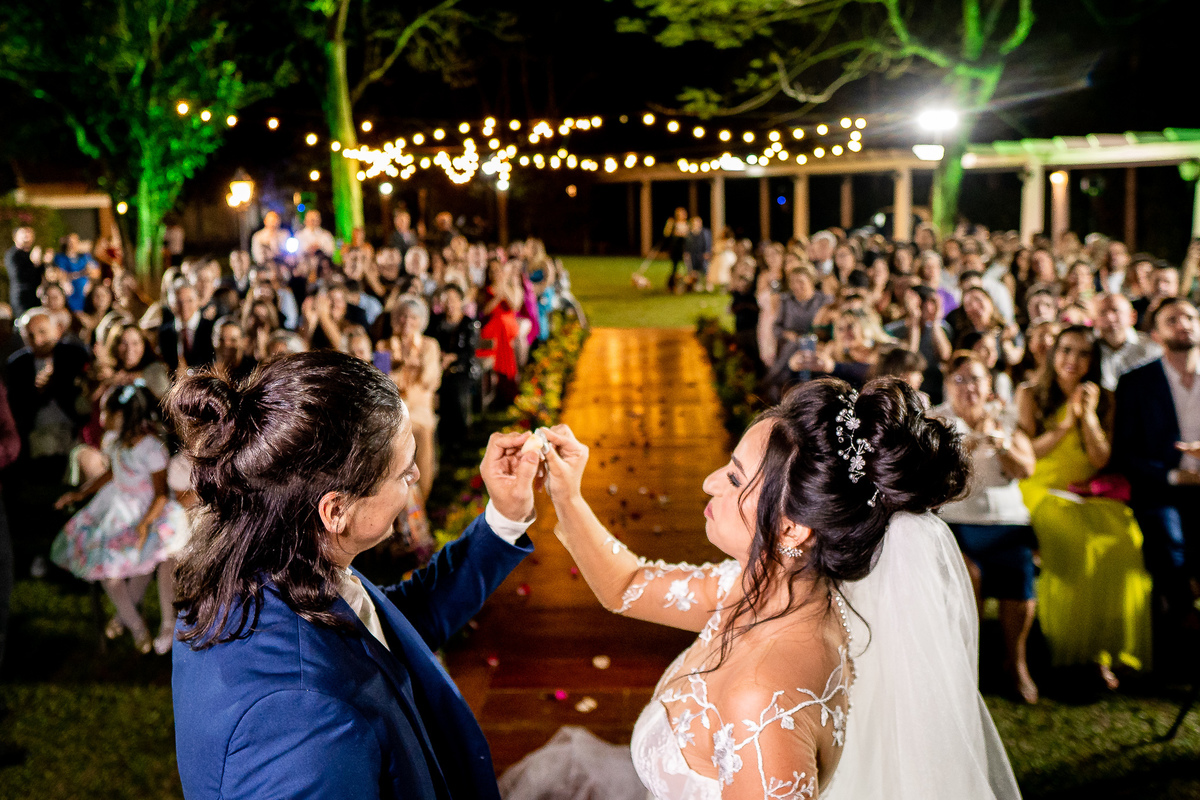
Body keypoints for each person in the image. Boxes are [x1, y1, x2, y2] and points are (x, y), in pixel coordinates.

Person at [507, 378, 1019, 799]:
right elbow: (628, 584)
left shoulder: (766, 702)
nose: (709, 482)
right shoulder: (759, 587)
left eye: (734, 478)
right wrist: (566, 496)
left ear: (793, 528)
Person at [169, 350, 541, 800]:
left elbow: (384, 634)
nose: (416, 474)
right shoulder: (304, 723)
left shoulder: (268, 564)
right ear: (336, 510)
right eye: (403, 472)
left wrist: (503, 520)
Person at [1015, 325, 1152, 687]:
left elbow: (1101, 458)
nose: (1072, 360)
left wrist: (1088, 416)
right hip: (1042, 487)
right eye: (1065, 350)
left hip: (1087, 491)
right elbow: (1028, 453)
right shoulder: (1030, 393)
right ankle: (1074, 649)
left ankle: (1109, 647)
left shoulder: (1106, 398)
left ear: (1094, 360)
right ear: (1053, 354)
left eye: (1082, 353)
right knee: (1080, 544)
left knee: (1124, 540)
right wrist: (1065, 424)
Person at [50, 383, 190, 654]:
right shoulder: (113, 442)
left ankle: (123, 618)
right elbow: (111, 472)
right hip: (117, 508)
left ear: (124, 414)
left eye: (108, 412)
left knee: (144, 566)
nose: (102, 418)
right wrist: (81, 493)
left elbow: (161, 493)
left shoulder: (151, 448)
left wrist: (144, 524)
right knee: (109, 573)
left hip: (146, 511)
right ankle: (136, 625)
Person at [933, 353, 1039, 703]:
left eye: (976, 379)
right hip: (956, 520)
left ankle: (1016, 662)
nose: (969, 387)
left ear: (989, 384)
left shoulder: (1005, 418)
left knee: (1018, 577)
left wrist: (1002, 446)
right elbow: (927, 476)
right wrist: (961, 450)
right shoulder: (936, 420)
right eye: (959, 380)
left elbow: (1027, 468)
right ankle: (967, 664)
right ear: (948, 385)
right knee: (969, 578)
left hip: (1006, 520)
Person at [1112, 298, 1200, 640]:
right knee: (1167, 542)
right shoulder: (1136, 382)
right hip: (1161, 488)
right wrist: (1176, 476)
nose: (1183, 324)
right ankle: (1181, 619)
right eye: (1172, 319)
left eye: (1189, 317)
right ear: (1156, 334)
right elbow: (1125, 453)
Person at [380, 296, 442, 503]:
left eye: (413, 317)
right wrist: (406, 367)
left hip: (419, 407)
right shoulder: (384, 346)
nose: (407, 321)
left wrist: (407, 367)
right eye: (403, 316)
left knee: (421, 432)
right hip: (393, 406)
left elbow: (428, 380)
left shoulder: (429, 345)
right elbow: (381, 382)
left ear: (421, 321)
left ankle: (422, 499)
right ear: (395, 319)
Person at [1094, 292, 1161, 391]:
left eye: (1116, 310)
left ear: (1132, 317)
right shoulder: (1090, 349)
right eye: (1102, 313)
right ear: (1094, 321)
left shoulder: (1152, 349)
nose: (1110, 318)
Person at [158, 278, 215, 376]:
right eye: (179, 302)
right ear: (171, 304)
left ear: (198, 301)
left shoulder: (212, 329)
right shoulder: (164, 333)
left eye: (189, 301)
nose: (184, 306)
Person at [5, 226, 44, 316]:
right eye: (23, 234)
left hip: (36, 297)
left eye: (29, 234)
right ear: (15, 237)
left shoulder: (33, 253)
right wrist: (34, 263)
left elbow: (40, 274)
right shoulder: (13, 255)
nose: (27, 237)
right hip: (22, 298)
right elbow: (19, 276)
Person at [663, 207, 689, 292]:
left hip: (684, 248)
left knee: (687, 267)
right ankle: (671, 285)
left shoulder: (687, 224)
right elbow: (666, 234)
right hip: (675, 249)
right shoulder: (673, 223)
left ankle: (687, 285)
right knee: (674, 268)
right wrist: (669, 226)